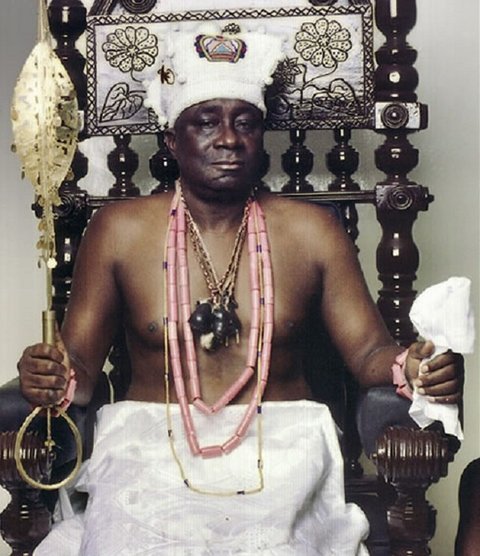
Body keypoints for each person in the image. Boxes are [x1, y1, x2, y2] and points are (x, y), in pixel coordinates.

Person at [18, 28, 463, 555]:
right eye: (206, 122)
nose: (229, 139)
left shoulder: (311, 232)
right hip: (148, 456)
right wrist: (51, 374)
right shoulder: (120, 231)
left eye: (246, 123)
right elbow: (81, 373)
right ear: (172, 138)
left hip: (282, 455)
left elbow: (368, 351)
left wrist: (412, 368)